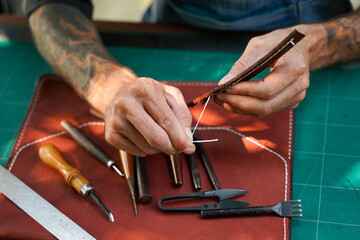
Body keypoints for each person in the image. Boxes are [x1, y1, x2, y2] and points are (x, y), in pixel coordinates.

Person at [15, 0, 360, 156]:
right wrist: (110, 85)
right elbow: (49, 5)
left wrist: (319, 44)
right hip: (168, 27)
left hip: (323, 35)